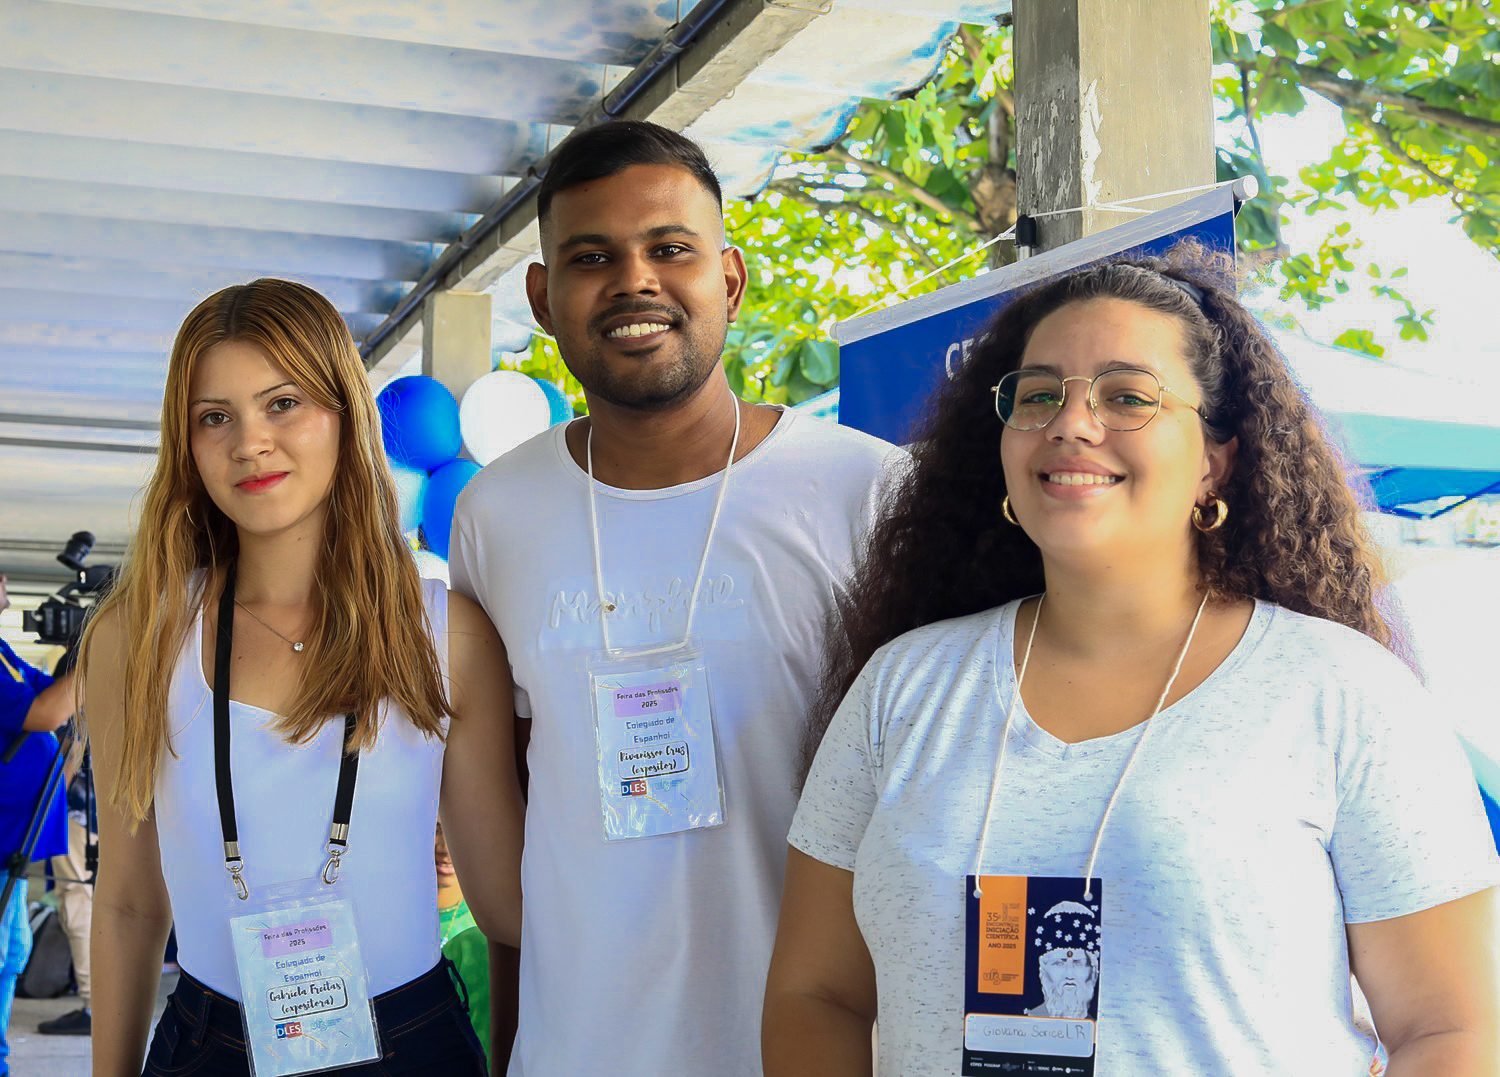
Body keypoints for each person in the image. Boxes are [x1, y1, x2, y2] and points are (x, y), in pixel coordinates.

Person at [764, 247, 1500, 1075]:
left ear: (1216, 458)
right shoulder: (901, 687)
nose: (1072, 422)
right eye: (1038, 394)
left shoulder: (1344, 692)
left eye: (1128, 396)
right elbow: (814, 994)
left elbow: (1451, 1030)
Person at [448, 118, 901, 1076]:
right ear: (542, 295)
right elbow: (515, 801)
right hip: (576, 1050)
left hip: (801, 1050)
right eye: (591, 256)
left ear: (729, 279)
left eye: (671, 249)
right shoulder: (498, 512)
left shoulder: (866, 491)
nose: (634, 281)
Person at [78, 279, 526, 1076]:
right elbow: (128, 902)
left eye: (282, 403)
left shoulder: (445, 633)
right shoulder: (137, 638)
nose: (250, 442)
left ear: (344, 412)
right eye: (214, 417)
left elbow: (507, 910)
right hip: (209, 1040)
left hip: (409, 1038)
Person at [0, 574, 75, 1076]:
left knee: (14, 951)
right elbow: (45, 713)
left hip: (11, 845)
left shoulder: (2, 650)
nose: (4, 580)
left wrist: (82, 654)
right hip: (3, 839)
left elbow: (51, 690)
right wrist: (102, 652)